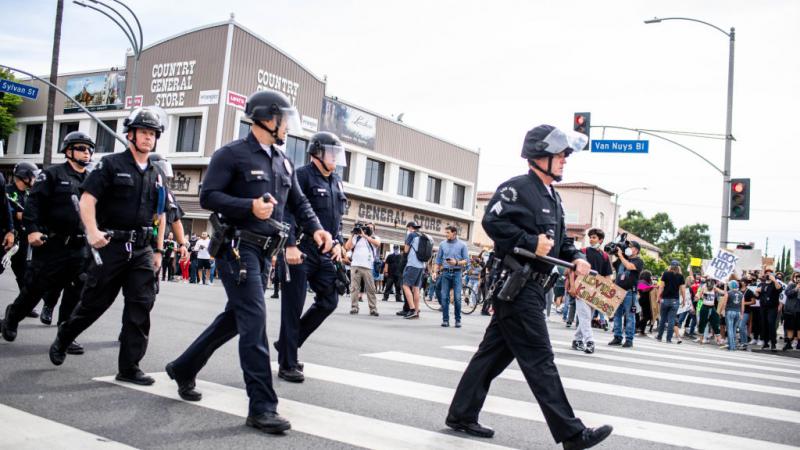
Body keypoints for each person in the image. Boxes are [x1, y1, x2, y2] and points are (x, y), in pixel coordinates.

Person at [165, 90, 332, 434]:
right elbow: (208, 196)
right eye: (284, 119)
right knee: (255, 321)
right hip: (236, 250)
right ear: (267, 119)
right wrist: (248, 206)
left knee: (235, 319)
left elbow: (299, 203)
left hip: (265, 252)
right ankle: (262, 407)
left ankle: (184, 367)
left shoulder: (283, 161)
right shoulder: (232, 154)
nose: (287, 126)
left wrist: (317, 230)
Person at [447, 124, 612, 449]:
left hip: (536, 288)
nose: (565, 159)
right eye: (560, 154)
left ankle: (461, 414)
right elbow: (491, 222)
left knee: (491, 356)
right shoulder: (517, 188)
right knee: (540, 359)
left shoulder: (554, 197)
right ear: (540, 156)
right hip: (518, 285)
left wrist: (578, 257)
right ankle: (572, 434)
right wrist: (527, 241)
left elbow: (562, 243)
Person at [48, 107, 167, 387]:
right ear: (131, 135)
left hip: (141, 249)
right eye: (144, 132)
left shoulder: (156, 172)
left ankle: (129, 366)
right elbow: (88, 199)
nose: (148, 138)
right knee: (94, 303)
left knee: (140, 306)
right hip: (111, 245)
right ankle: (65, 335)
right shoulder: (110, 165)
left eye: (152, 133)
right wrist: (91, 232)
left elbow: (160, 213)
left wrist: (159, 249)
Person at [1, 131, 93, 354]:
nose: (86, 153)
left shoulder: (92, 179)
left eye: (89, 149)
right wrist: (32, 230)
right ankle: (12, 318)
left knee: (75, 292)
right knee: (35, 288)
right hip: (53, 244)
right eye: (81, 148)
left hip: (81, 247)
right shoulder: (51, 174)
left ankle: (65, 336)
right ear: (68, 150)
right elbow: (33, 203)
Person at [274, 131, 346, 383]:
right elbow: (286, 213)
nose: (336, 157)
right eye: (331, 152)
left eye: (338, 153)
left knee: (329, 301)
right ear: (316, 153)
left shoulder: (336, 181)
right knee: (292, 307)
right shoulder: (301, 176)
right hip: (301, 249)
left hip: (325, 252)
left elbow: (338, 219)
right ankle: (287, 362)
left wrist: (338, 243)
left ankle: (287, 344)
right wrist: (290, 244)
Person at [6, 162, 42, 317]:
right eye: (33, 175)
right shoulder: (6, 192)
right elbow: (8, 213)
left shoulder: (30, 194)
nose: (35, 179)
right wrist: (19, 215)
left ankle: (24, 306)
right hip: (7, 238)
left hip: (24, 240)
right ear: (24, 176)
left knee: (25, 275)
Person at [569, 228, 612, 354]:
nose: (591, 239)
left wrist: (606, 292)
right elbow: (571, 269)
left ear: (600, 240)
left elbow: (608, 276)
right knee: (585, 316)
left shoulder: (604, 256)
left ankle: (577, 340)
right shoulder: (582, 252)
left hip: (596, 291)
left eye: (594, 237)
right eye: (590, 237)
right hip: (581, 287)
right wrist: (572, 286)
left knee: (586, 318)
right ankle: (590, 341)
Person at [608, 241, 644, 348]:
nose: (628, 248)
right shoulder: (622, 258)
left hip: (629, 292)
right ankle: (617, 337)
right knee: (617, 315)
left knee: (629, 316)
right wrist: (615, 251)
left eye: (630, 247)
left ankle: (629, 339)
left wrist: (621, 256)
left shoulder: (638, 261)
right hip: (618, 291)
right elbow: (612, 267)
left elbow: (629, 266)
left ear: (636, 250)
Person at [434, 225, 468, 328]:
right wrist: (435, 272)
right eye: (446, 232)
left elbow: (466, 261)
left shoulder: (462, 245)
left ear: (454, 233)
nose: (446, 234)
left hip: (457, 273)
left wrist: (456, 262)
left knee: (457, 298)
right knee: (444, 297)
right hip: (445, 273)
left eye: (448, 232)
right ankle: (445, 320)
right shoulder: (442, 244)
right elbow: (438, 260)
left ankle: (458, 320)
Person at [344, 221, 380, 315]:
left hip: (368, 267)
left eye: (371, 228)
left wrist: (365, 236)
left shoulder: (375, 237)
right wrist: (353, 234)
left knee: (371, 289)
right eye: (367, 227)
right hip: (355, 265)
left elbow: (377, 244)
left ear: (374, 230)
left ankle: (373, 309)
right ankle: (354, 307)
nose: (369, 229)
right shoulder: (357, 237)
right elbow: (347, 247)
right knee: (354, 288)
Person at [656, 261, 686, 343]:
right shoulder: (680, 276)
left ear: (670, 266)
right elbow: (683, 290)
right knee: (671, 320)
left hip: (665, 299)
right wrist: (684, 300)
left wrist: (658, 297)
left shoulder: (665, 274)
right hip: (675, 300)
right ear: (678, 267)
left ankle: (659, 337)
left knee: (663, 319)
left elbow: (661, 287)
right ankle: (668, 339)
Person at [401, 221, 426, 319]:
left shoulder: (411, 235)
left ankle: (411, 309)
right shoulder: (422, 236)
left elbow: (406, 250)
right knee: (416, 288)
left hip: (412, 264)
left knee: (405, 285)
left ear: (411, 227)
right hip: (421, 265)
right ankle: (416, 310)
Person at [756, 269, 783, 351]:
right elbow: (758, 296)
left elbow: (779, 289)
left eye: (769, 273)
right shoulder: (762, 284)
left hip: (772, 307)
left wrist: (774, 280)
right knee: (764, 324)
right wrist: (756, 292)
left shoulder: (775, 283)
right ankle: (765, 342)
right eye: (766, 273)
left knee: (771, 324)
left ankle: (773, 343)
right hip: (763, 307)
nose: (768, 275)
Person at [695, 278, 724, 345]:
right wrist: (698, 296)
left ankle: (719, 340)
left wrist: (725, 284)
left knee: (715, 323)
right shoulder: (703, 287)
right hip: (705, 307)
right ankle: (701, 340)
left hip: (712, 307)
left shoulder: (714, 288)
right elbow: (698, 295)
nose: (710, 287)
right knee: (702, 323)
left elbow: (723, 292)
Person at [721, 280, 744, 351]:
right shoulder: (741, 294)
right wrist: (742, 314)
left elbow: (724, 303)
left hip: (730, 311)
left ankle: (731, 346)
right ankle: (733, 346)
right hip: (738, 312)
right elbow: (742, 305)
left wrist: (722, 311)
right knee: (734, 329)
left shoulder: (728, 293)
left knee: (729, 329)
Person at [782, 272, 800, 351]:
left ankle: (798, 343)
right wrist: (796, 288)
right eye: (797, 277)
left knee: (799, 328)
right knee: (790, 328)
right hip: (790, 310)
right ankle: (789, 343)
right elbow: (787, 293)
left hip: (799, 311)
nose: (798, 279)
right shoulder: (791, 285)